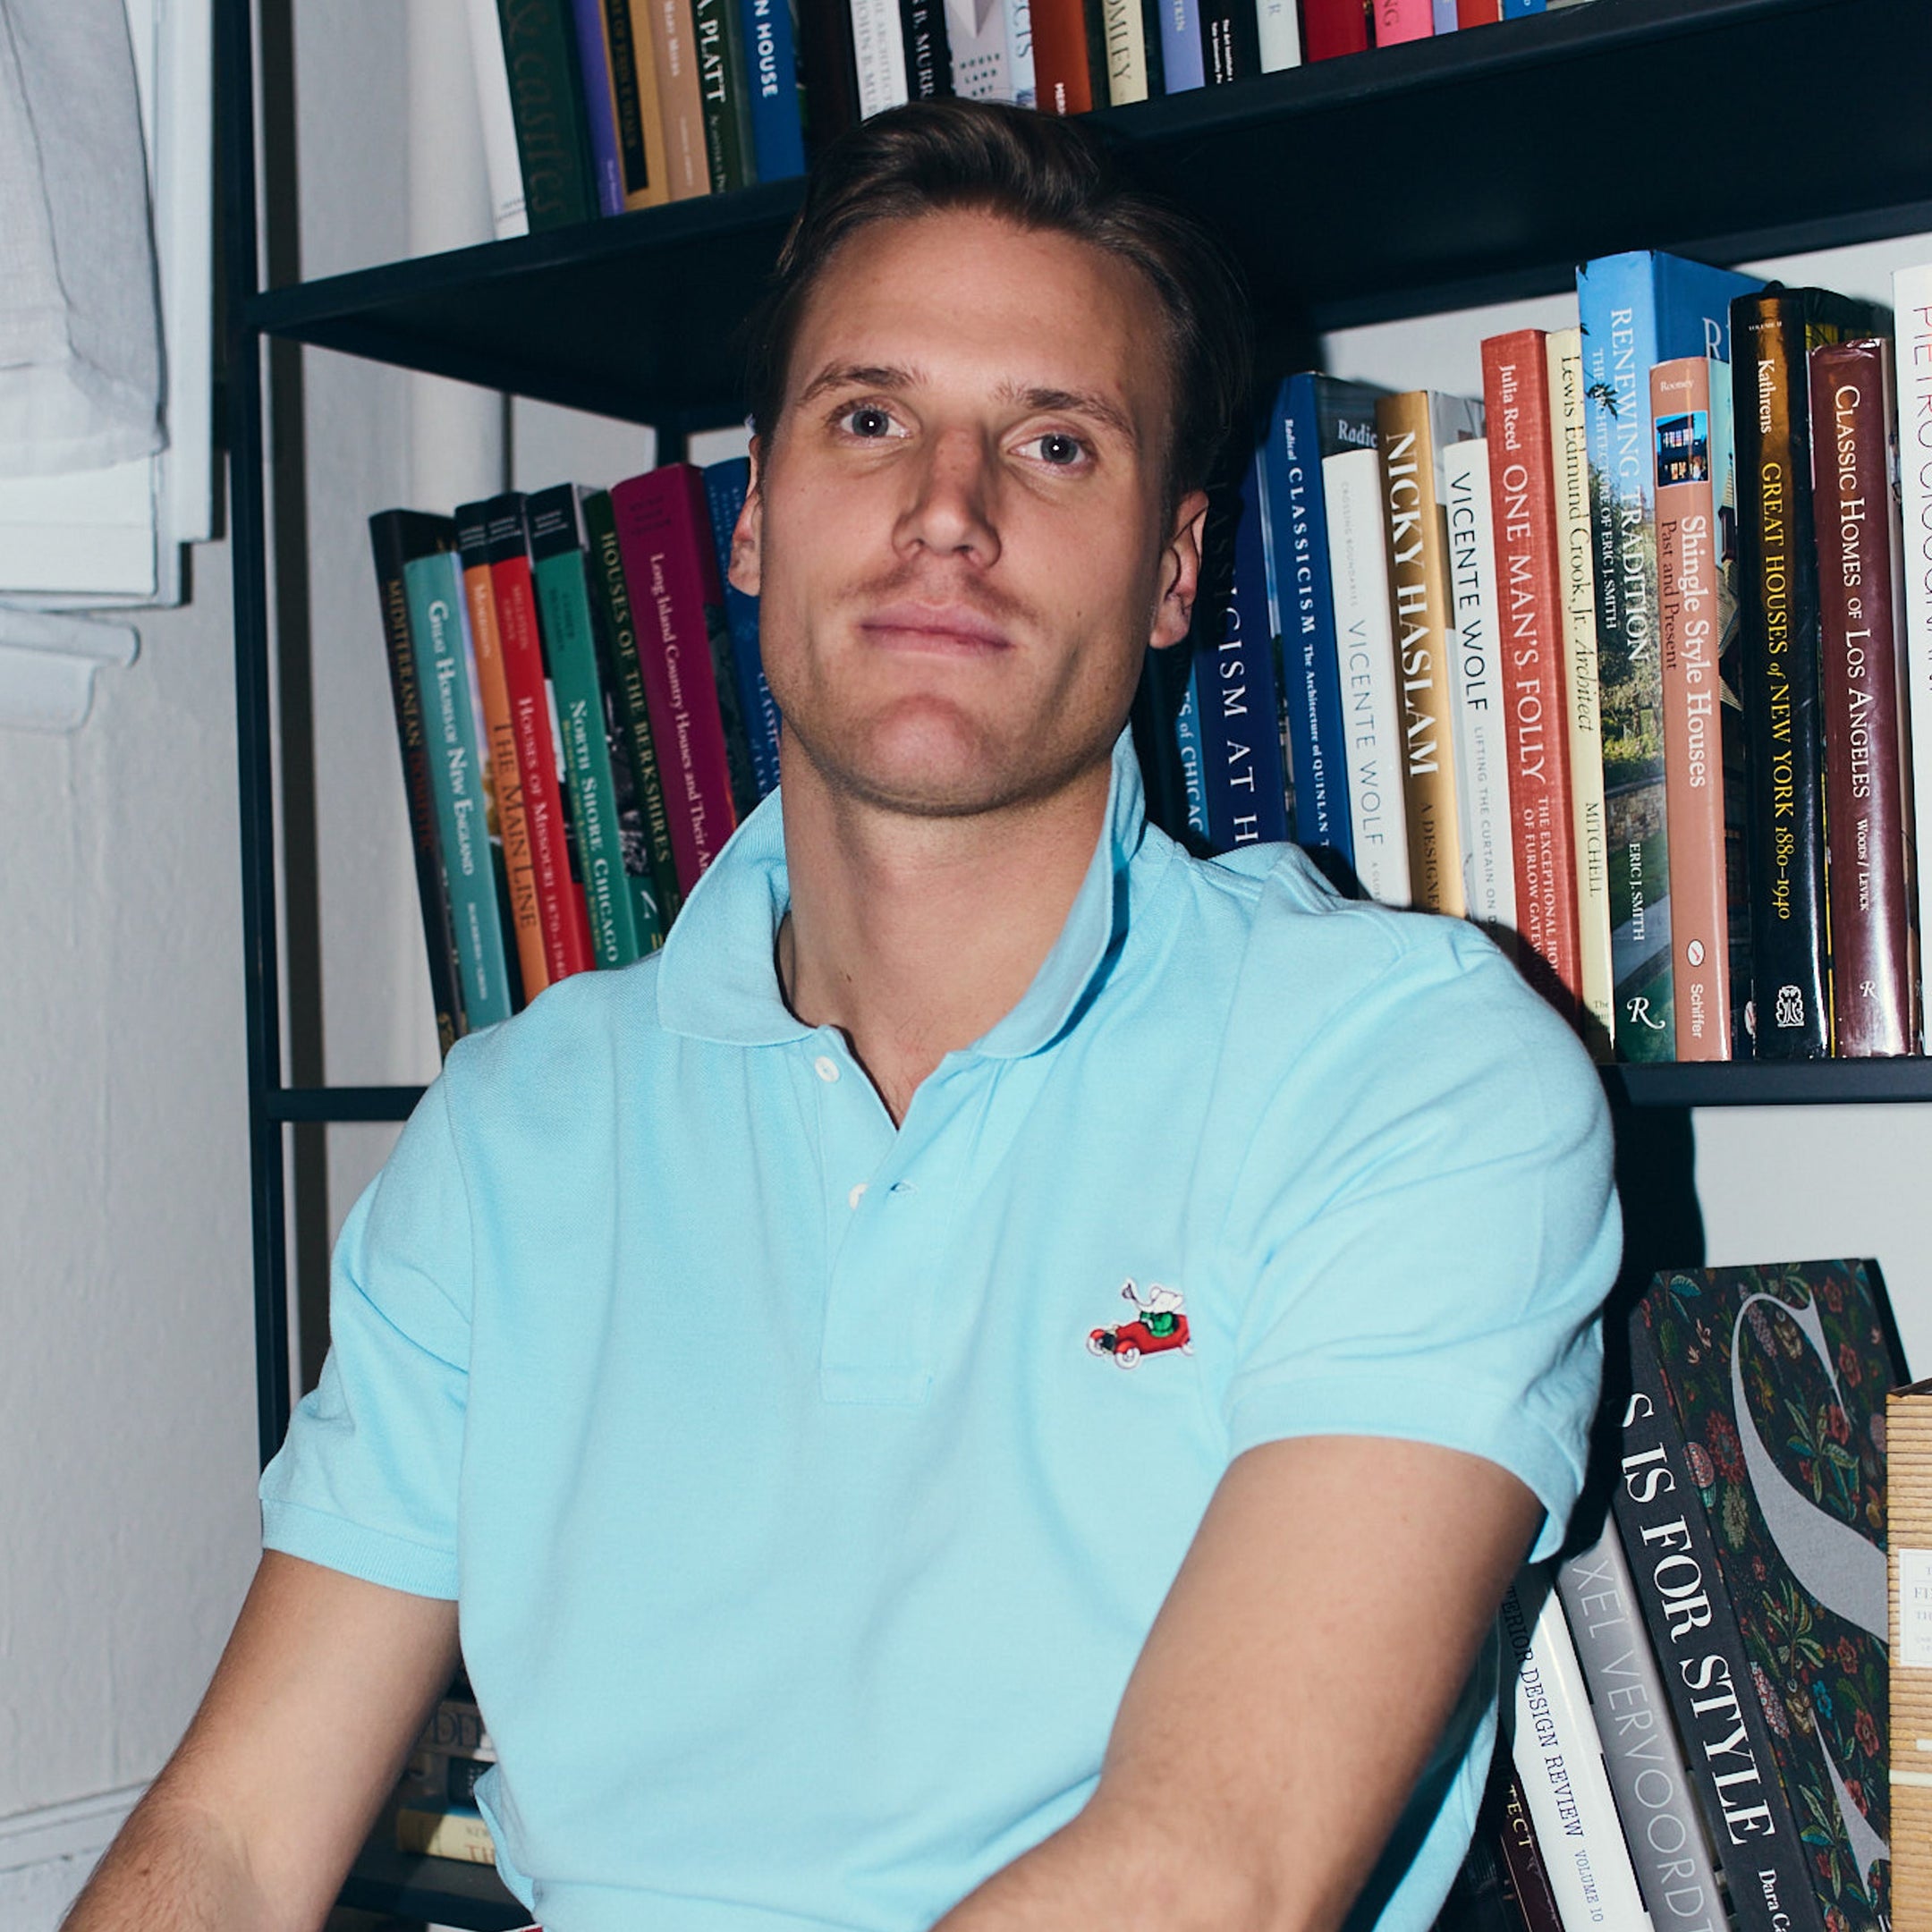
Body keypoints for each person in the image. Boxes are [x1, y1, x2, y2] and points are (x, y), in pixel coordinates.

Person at [66, 99, 1618, 1932]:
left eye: (1054, 444)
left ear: (1175, 570)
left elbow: (1207, 1873)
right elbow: (235, 1841)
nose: (948, 512)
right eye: (871, 420)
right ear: (753, 518)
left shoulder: (1412, 1075)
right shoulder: (513, 1129)